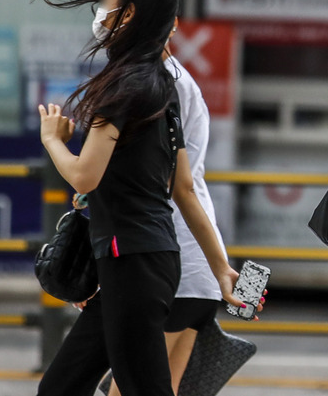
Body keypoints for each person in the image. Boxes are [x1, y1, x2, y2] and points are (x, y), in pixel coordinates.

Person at [32, 0, 258, 396]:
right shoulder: (160, 87)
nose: (100, 14)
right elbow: (184, 190)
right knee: (60, 388)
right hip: (143, 261)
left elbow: (83, 175)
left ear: (128, 15)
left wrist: (53, 141)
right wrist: (220, 267)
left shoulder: (123, 88)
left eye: (106, 4)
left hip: (132, 261)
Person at [101, 27, 266, 396]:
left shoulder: (157, 85)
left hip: (171, 259)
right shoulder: (176, 80)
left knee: (130, 389)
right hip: (194, 268)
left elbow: (172, 183)